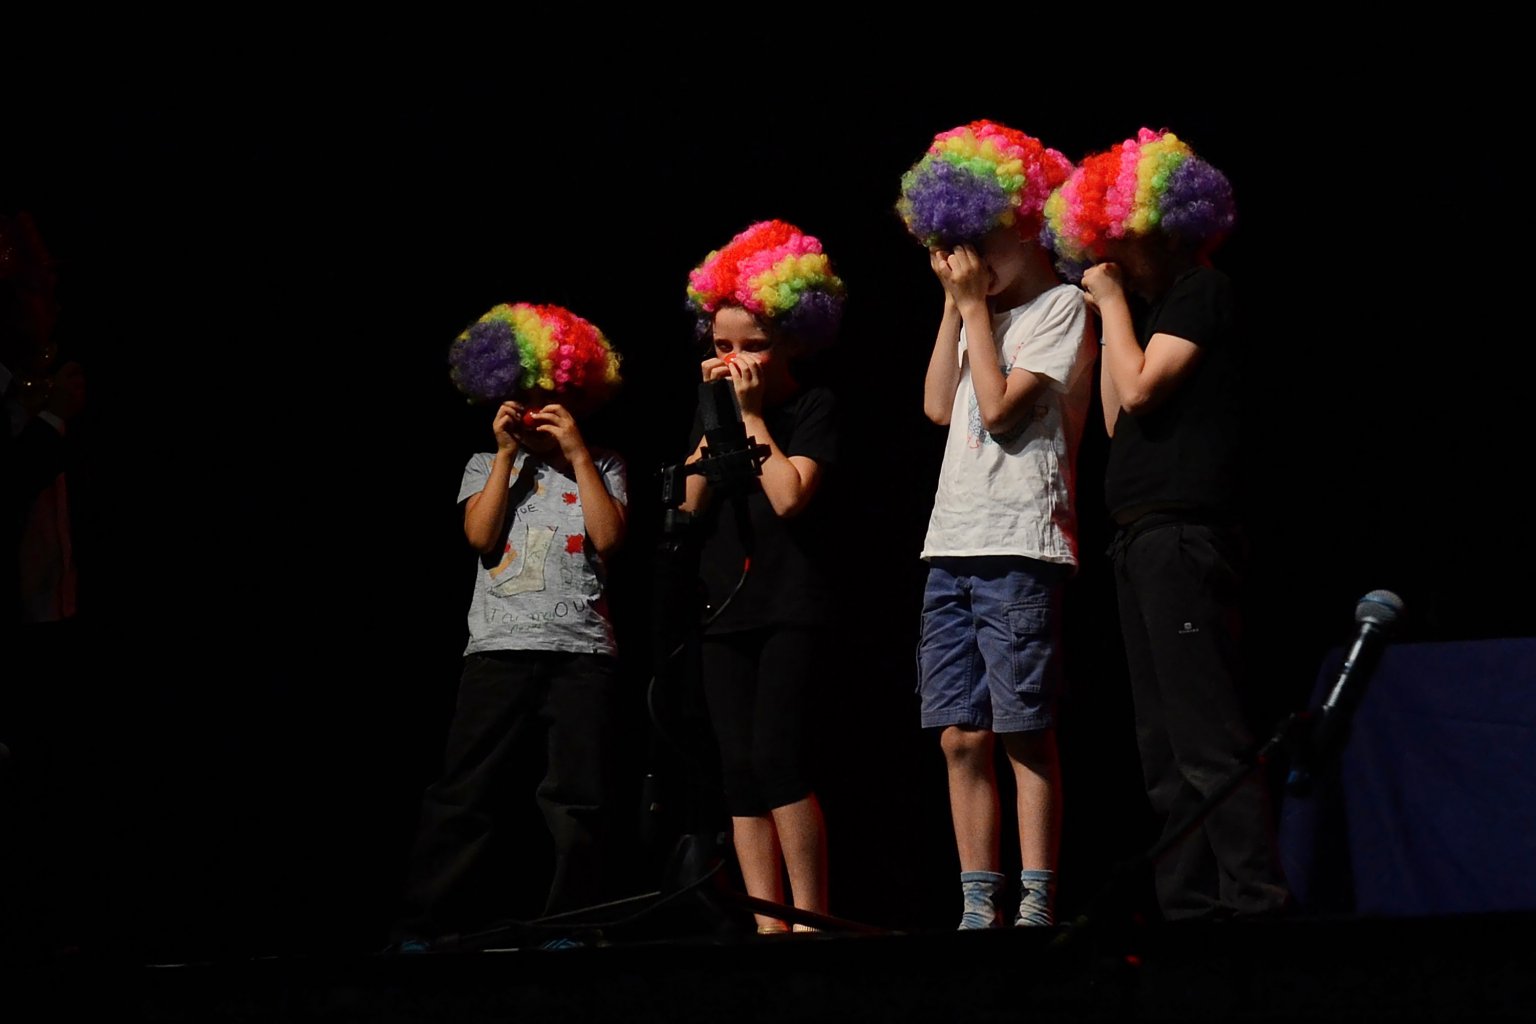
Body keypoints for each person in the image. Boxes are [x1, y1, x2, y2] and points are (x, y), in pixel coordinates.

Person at [1043, 127, 1290, 921]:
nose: (1111, 257)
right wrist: (1112, 317)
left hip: (1186, 535)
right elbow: (1118, 414)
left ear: (1158, 227)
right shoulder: (1146, 313)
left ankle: (1253, 898)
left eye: (1120, 241)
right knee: (1161, 745)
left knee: (1207, 731)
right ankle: (1188, 905)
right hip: (1139, 538)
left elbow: (1144, 392)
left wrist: (1114, 305)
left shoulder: (1202, 292)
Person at [897, 120, 1097, 929]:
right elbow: (940, 405)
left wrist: (977, 309)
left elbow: (1006, 415)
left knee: (1022, 729)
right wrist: (956, 307)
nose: (969, 259)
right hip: (952, 544)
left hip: (1019, 543)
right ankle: (979, 906)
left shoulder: (1059, 306)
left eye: (979, 241)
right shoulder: (981, 311)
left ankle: (1036, 900)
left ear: (1025, 222)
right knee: (959, 738)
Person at [391, 301, 626, 950]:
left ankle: (575, 927)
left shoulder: (602, 465)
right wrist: (502, 458)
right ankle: (425, 927)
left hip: (581, 653)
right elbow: (480, 534)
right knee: (464, 794)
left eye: (549, 396)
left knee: (577, 799)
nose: (535, 408)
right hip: (498, 650)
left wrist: (578, 454)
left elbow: (611, 540)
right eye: (523, 397)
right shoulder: (482, 464)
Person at [677, 219, 844, 934]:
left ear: (793, 341)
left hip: (789, 605)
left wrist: (750, 416)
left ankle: (808, 919)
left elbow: (788, 494)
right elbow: (687, 505)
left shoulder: (813, 407)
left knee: (777, 756)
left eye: (753, 346)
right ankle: (764, 925)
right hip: (724, 606)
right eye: (721, 348)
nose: (734, 360)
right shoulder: (712, 408)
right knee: (737, 769)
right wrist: (719, 416)